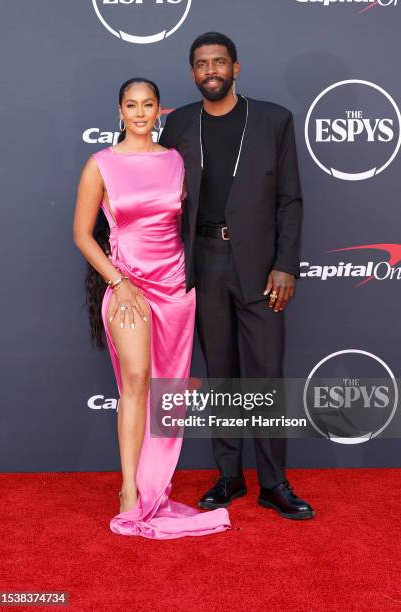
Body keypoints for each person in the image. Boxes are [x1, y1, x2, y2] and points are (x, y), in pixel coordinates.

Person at [159, 33, 315, 520]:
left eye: (219, 62)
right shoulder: (180, 124)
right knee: (222, 372)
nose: (211, 70)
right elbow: (158, 192)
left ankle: (274, 483)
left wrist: (286, 263)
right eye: (202, 64)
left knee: (265, 376)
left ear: (236, 68)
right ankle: (230, 476)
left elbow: (290, 199)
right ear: (192, 73)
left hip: (261, 267)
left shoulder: (273, 120)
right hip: (202, 262)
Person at [72, 77, 230, 538]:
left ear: (159, 111)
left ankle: (154, 484)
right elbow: (83, 233)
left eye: (148, 105)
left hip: (176, 287)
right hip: (127, 286)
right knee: (138, 378)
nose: (139, 113)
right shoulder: (100, 164)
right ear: (119, 111)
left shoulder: (177, 161)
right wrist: (118, 282)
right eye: (131, 105)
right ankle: (129, 489)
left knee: (166, 387)